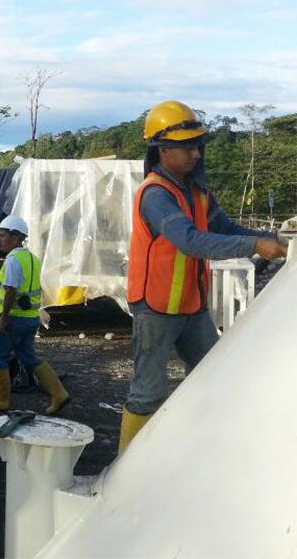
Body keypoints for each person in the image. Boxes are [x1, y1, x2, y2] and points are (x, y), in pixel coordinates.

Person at [119, 100, 288, 452]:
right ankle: (122, 471)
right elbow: (191, 242)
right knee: (148, 392)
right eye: (187, 147)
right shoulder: (155, 195)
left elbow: (224, 227)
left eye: (198, 145)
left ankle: (194, 452)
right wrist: (254, 243)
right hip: (156, 307)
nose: (196, 154)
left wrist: (272, 241)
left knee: (212, 377)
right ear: (163, 150)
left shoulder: (196, 192)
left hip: (191, 306)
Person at [0, 214, 70, 415]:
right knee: (28, 357)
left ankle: (0, 399)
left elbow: (11, 290)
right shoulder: (32, 259)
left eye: (2, 235)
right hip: (30, 319)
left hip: (13, 319)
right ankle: (59, 393)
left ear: (16, 237)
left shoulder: (12, 261)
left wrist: (3, 320)